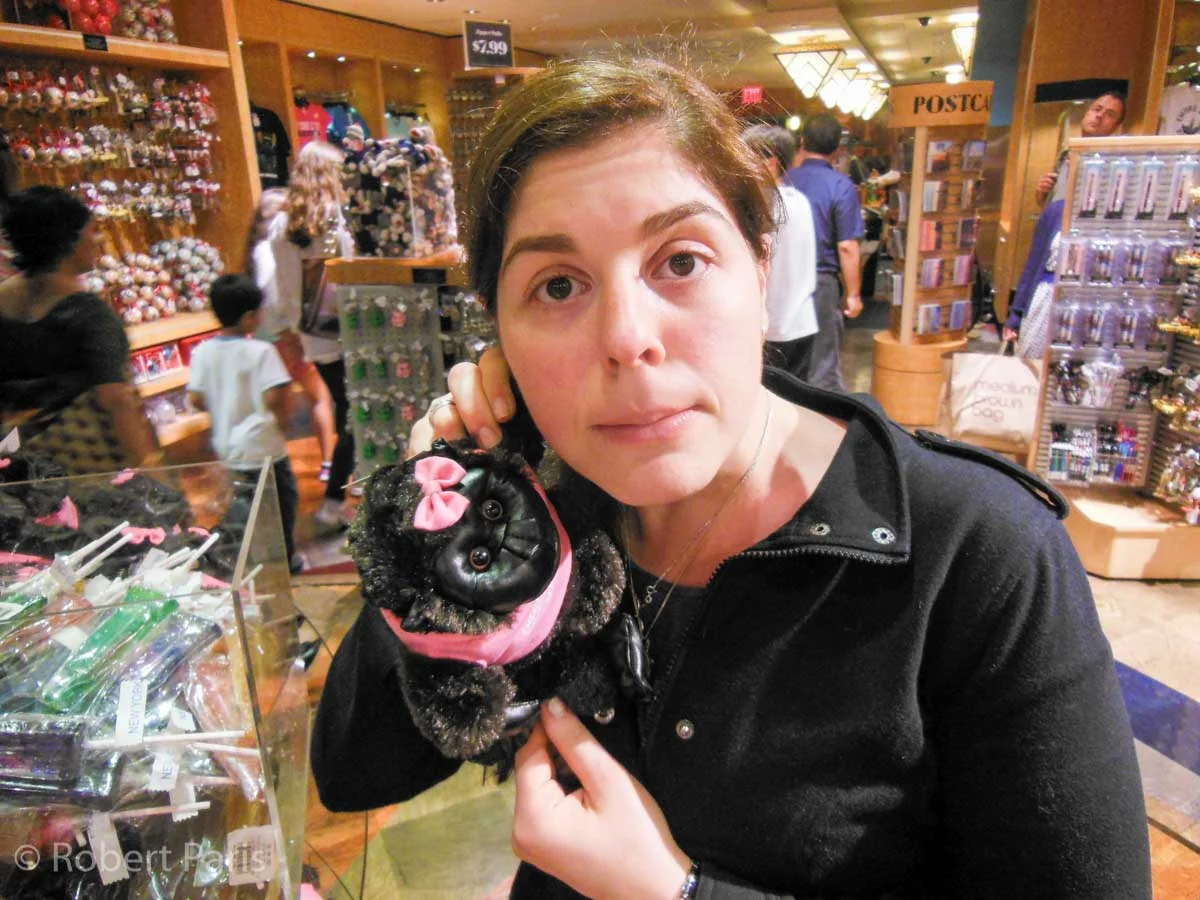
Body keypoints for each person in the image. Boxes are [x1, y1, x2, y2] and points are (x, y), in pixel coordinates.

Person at [312, 57, 1151, 899]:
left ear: (760, 265)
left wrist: (678, 894)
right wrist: (442, 521)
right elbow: (355, 771)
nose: (627, 337)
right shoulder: (547, 500)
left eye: (680, 262)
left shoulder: (973, 552)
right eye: (558, 285)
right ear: (499, 328)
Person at [0, 186, 159, 472]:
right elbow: (116, 400)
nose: (98, 240)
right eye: (92, 230)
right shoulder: (89, 314)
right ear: (69, 240)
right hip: (84, 467)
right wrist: (149, 465)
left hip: (17, 460)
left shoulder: (4, 302)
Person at [252, 140, 352, 497]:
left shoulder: (283, 225)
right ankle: (335, 494)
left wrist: (288, 330)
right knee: (354, 416)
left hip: (314, 337)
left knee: (345, 409)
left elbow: (281, 289)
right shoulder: (339, 217)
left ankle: (342, 487)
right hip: (352, 330)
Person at [187, 274, 303, 573]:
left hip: (228, 445)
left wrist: (222, 403)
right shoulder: (261, 351)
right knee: (282, 501)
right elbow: (276, 395)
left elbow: (196, 398)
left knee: (243, 501)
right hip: (263, 445)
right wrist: (283, 422)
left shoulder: (203, 352)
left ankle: (233, 555)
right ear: (250, 317)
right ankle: (284, 559)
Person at [785, 113, 864, 392]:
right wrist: (853, 294)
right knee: (822, 369)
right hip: (820, 284)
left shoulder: (784, 180)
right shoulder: (840, 185)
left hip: (779, 278)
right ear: (837, 148)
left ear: (802, 141)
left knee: (782, 364)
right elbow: (847, 246)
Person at [741, 124, 819, 384]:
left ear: (771, 163)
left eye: (746, 156)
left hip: (773, 327)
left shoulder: (764, 205)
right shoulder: (799, 200)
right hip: (802, 322)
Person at [1035, 90, 1127, 206]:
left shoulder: (1114, 165)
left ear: (1116, 126)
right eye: (1097, 109)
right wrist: (1043, 194)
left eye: (1109, 114)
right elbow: (1050, 203)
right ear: (1087, 113)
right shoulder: (1066, 154)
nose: (1099, 115)